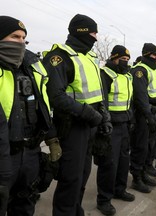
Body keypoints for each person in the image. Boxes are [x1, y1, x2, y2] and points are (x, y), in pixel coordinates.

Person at [42, 14, 111, 216]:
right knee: (70, 178)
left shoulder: (90, 58)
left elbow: (99, 93)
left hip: (90, 126)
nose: (95, 37)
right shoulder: (59, 57)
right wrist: (88, 113)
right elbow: (55, 95)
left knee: (82, 175)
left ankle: (76, 210)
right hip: (71, 126)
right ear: (80, 32)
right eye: (92, 33)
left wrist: (103, 115)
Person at [0, 16, 61, 216]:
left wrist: (51, 138)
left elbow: (42, 105)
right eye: (14, 36)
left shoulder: (32, 67)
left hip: (31, 152)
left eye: (24, 37)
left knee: (25, 204)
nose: (21, 42)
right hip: (5, 155)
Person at [96, 45, 135, 215]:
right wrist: (105, 121)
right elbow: (101, 100)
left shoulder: (126, 76)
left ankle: (120, 189)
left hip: (125, 123)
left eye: (127, 60)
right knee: (109, 163)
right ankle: (104, 199)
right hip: (111, 124)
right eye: (122, 59)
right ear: (113, 58)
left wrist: (131, 117)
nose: (125, 63)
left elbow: (129, 99)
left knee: (123, 160)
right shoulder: (106, 74)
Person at [129, 43, 156, 193]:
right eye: (153, 55)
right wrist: (148, 116)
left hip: (153, 111)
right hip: (143, 114)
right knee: (140, 147)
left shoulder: (152, 69)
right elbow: (141, 97)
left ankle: (143, 171)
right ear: (146, 54)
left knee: (149, 145)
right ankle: (136, 178)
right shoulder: (140, 71)